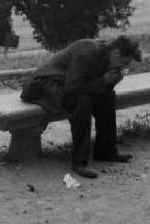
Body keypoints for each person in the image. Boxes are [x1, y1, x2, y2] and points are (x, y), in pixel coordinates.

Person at [21, 35, 142, 179]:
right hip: (44, 84)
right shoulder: (88, 53)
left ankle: (106, 151)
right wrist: (103, 80)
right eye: (124, 63)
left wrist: (110, 82)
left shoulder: (108, 58)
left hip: (66, 85)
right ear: (116, 53)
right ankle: (79, 162)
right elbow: (73, 89)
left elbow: (99, 88)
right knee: (82, 102)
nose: (123, 67)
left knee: (107, 98)